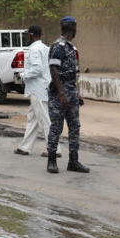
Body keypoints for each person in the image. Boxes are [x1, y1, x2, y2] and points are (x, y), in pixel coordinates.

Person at [46, 16, 89, 174]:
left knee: (75, 127)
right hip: (59, 93)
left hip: (70, 92)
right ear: (72, 29)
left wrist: (75, 95)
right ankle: (51, 161)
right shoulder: (59, 46)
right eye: (75, 28)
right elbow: (54, 70)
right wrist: (62, 94)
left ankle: (73, 161)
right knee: (56, 127)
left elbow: (72, 74)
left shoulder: (72, 48)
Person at [14, 25, 61, 158]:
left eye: (27, 35)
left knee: (45, 120)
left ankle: (54, 149)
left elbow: (37, 69)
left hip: (38, 89)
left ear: (32, 35)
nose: (27, 37)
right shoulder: (45, 48)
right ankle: (24, 147)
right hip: (43, 87)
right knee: (33, 119)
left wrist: (22, 75)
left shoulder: (34, 49)